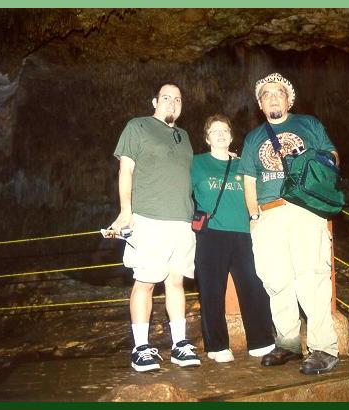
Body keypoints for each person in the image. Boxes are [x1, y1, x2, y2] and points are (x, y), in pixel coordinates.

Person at [239, 72, 340, 375]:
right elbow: (248, 180)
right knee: (276, 280)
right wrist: (254, 216)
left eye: (278, 92)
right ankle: (289, 343)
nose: (273, 98)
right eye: (266, 94)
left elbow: (333, 157)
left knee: (311, 277)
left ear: (289, 99)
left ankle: (324, 348)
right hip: (268, 214)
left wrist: (313, 164)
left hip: (304, 209)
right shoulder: (253, 138)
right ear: (260, 104)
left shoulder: (309, 124)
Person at [109, 82, 201, 373]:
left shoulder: (184, 136)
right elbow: (126, 169)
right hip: (149, 217)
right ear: (154, 102)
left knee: (176, 282)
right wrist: (126, 210)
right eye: (166, 98)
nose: (172, 103)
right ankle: (140, 347)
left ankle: (179, 344)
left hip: (182, 220)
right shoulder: (137, 127)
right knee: (145, 282)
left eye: (177, 99)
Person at [191, 114, 275, 363]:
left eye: (224, 130)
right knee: (211, 290)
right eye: (214, 131)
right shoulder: (196, 163)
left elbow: (260, 191)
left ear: (231, 136)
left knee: (253, 286)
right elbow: (182, 192)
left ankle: (261, 341)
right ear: (207, 138)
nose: (220, 134)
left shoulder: (243, 164)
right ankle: (217, 346)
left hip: (243, 233)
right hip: (211, 234)